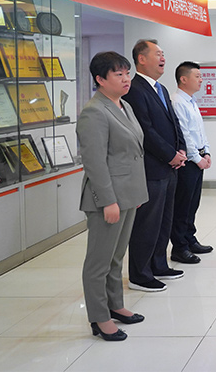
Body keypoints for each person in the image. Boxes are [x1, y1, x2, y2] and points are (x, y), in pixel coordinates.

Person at [78, 52, 148, 341]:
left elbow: (132, 152)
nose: (126, 79)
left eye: (127, 73)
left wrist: (136, 192)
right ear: (100, 79)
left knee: (117, 256)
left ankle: (115, 305)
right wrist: (108, 201)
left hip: (128, 193)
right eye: (118, 74)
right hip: (107, 197)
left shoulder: (124, 105)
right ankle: (99, 317)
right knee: (99, 261)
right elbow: (94, 162)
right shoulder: (94, 111)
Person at [123, 39, 187, 292]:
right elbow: (145, 131)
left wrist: (181, 150)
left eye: (163, 54)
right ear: (141, 59)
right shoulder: (135, 90)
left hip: (169, 167)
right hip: (151, 168)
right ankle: (140, 274)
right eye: (158, 54)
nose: (163, 58)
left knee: (163, 221)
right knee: (146, 224)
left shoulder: (160, 88)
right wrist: (170, 154)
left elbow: (173, 123)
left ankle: (159, 265)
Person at [170, 62, 214, 264]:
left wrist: (207, 152)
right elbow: (184, 135)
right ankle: (179, 247)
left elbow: (199, 132)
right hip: (187, 162)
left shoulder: (191, 101)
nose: (201, 80)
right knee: (183, 205)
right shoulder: (177, 102)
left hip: (198, 158)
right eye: (197, 76)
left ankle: (189, 239)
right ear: (183, 79)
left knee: (193, 204)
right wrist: (197, 158)